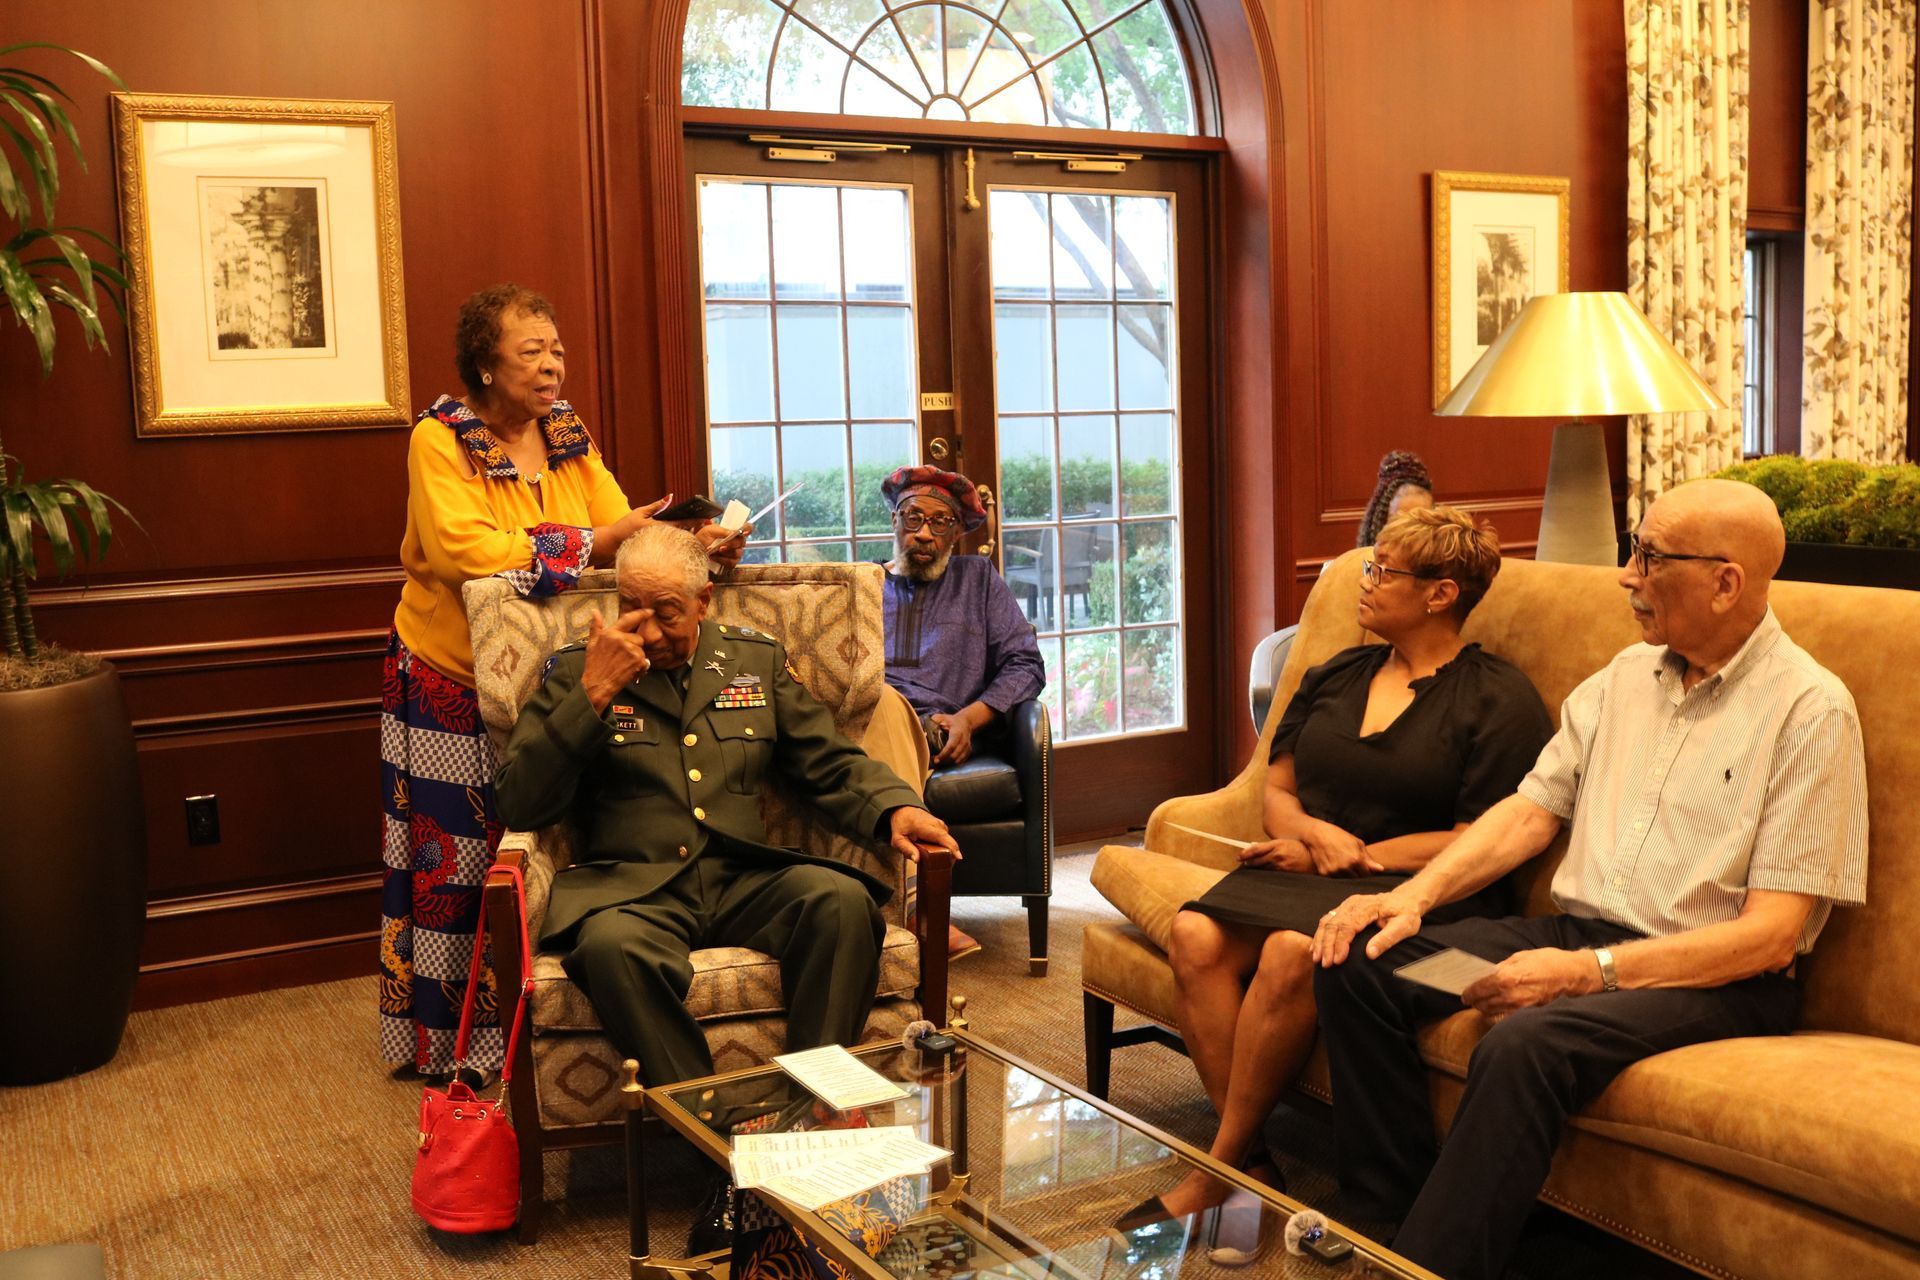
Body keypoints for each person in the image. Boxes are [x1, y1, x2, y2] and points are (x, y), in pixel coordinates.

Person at [1309, 479, 1869, 1280]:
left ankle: (1429, 1269)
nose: (1626, 576)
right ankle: (1383, 1219)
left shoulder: (1810, 712)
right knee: (1364, 964)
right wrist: (1409, 898)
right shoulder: (1624, 679)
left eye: (1649, 557)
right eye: (1631, 551)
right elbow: (1530, 812)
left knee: (1525, 1041)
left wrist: (1583, 976)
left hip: (1707, 983)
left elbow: (1771, 935)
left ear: (1726, 581)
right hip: (1578, 942)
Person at [1124, 506, 1551, 1264]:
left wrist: (1356, 857)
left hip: (1425, 892)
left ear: (1440, 594)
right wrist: (1314, 837)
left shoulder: (1497, 697)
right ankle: (1252, 1165)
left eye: (1384, 570)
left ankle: (1219, 1174)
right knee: (1193, 931)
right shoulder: (1336, 673)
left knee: (1293, 952)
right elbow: (1277, 791)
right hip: (1309, 870)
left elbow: (1480, 837)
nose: (1367, 580)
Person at [378, 284, 741, 1078]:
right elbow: (463, 552)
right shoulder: (440, 439)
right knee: (465, 861)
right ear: (484, 363)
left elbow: (620, 531)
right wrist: (592, 540)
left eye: (558, 351)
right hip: (451, 678)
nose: (551, 368)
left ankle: (531, 1027)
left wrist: (690, 541)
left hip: (565, 676)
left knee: (552, 846)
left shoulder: (566, 430)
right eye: (530, 353)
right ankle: (457, 1049)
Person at [494, 522, 960, 1085]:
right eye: (631, 608)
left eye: (666, 612)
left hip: (742, 876)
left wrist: (894, 809)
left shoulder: (751, 660)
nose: (646, 631)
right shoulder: (578, 670)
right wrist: (594, 693)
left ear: (702, 600)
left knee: (842, 901)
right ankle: (708, 1130)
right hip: (634, 890)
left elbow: (828, 759)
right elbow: (519, 800)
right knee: (609, 950)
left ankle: (812, 1104)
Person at [877, 465, 1046, 959]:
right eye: (913, 518)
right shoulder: (864, 585)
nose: (924, 533)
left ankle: (913, 905)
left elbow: (1025, 662)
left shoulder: (978, 580)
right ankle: (915, 906)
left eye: (940, 522)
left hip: (944, 730)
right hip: (875, 718)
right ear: (894, 522)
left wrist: (972, 717)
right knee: (880, 709)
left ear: (956, 532)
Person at [1357, 450, 1434, 547]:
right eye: (1400, 522)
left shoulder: (1445, 557)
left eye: (1422, 521)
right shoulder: (1364, 559)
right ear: (1382, 522)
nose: (1411, 533)